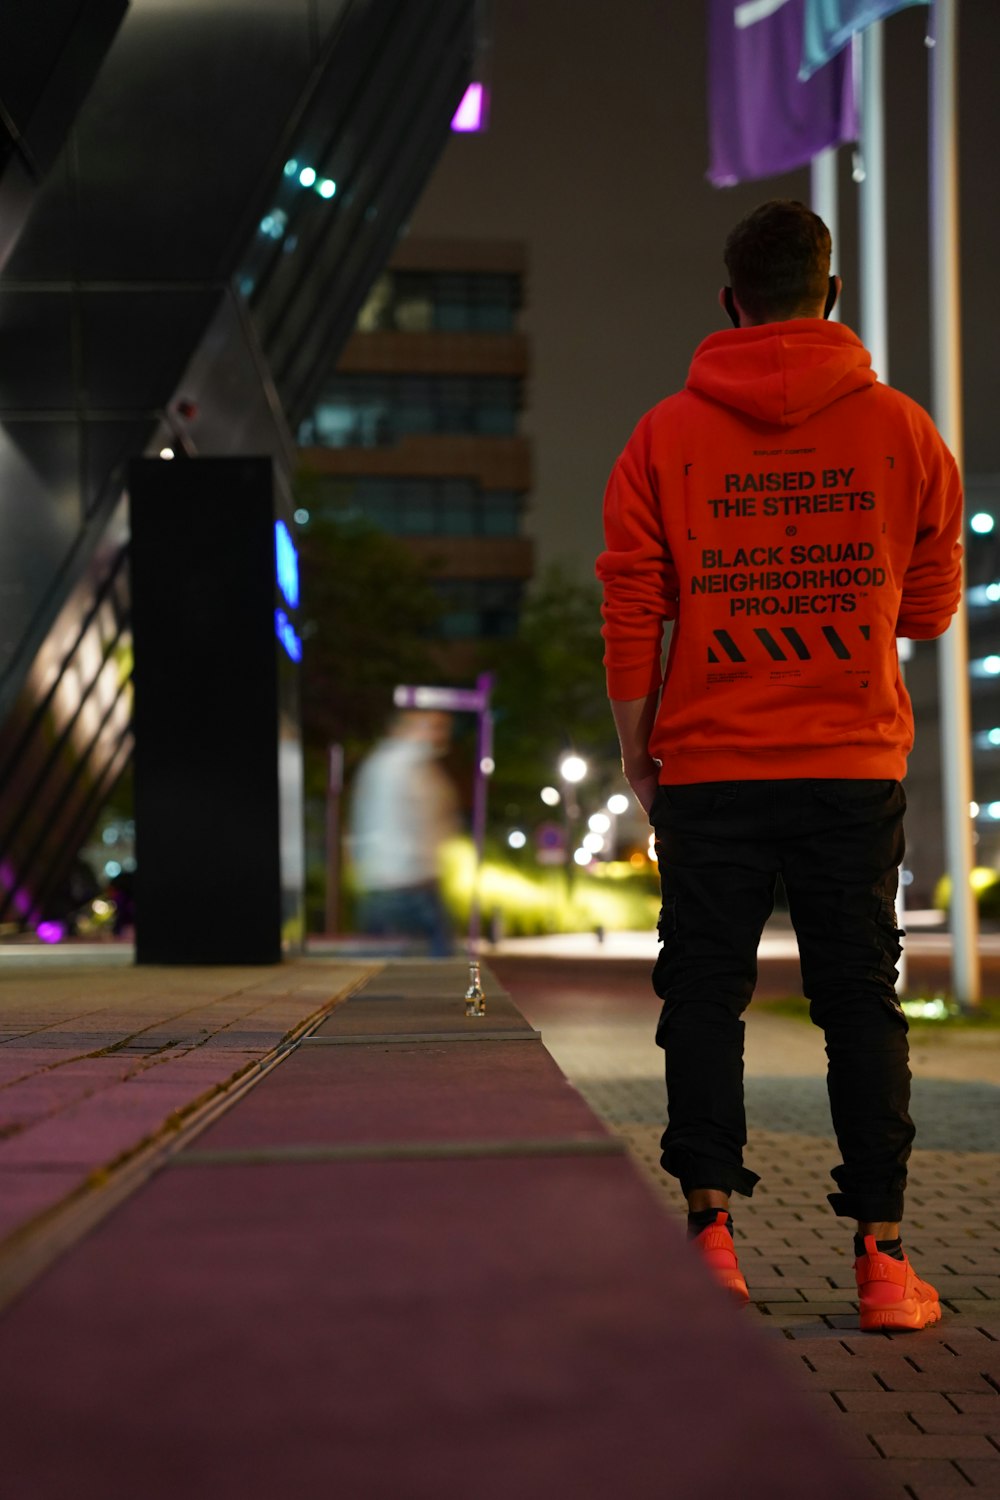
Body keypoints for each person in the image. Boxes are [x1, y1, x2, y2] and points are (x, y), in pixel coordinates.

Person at [596, 200, 962, 1331]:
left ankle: (711, 1242)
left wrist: (637, 759)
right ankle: (883, 1265)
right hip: (851, 764)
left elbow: (630, 611)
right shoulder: (905, 432)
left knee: (702, 997)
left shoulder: (661, 437)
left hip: (708, 767)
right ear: (831, 296)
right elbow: (935, 608)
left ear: (729, 304)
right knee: (860, 1002)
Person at [349, 709, 459, 957]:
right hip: (408, 881)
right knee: (441, 957)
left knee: (374, 960)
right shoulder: (411, 765)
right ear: (414, 727)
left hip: (385, 879)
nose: (442, 734)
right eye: (435, 726)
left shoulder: (381, 762)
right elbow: (428, 820)